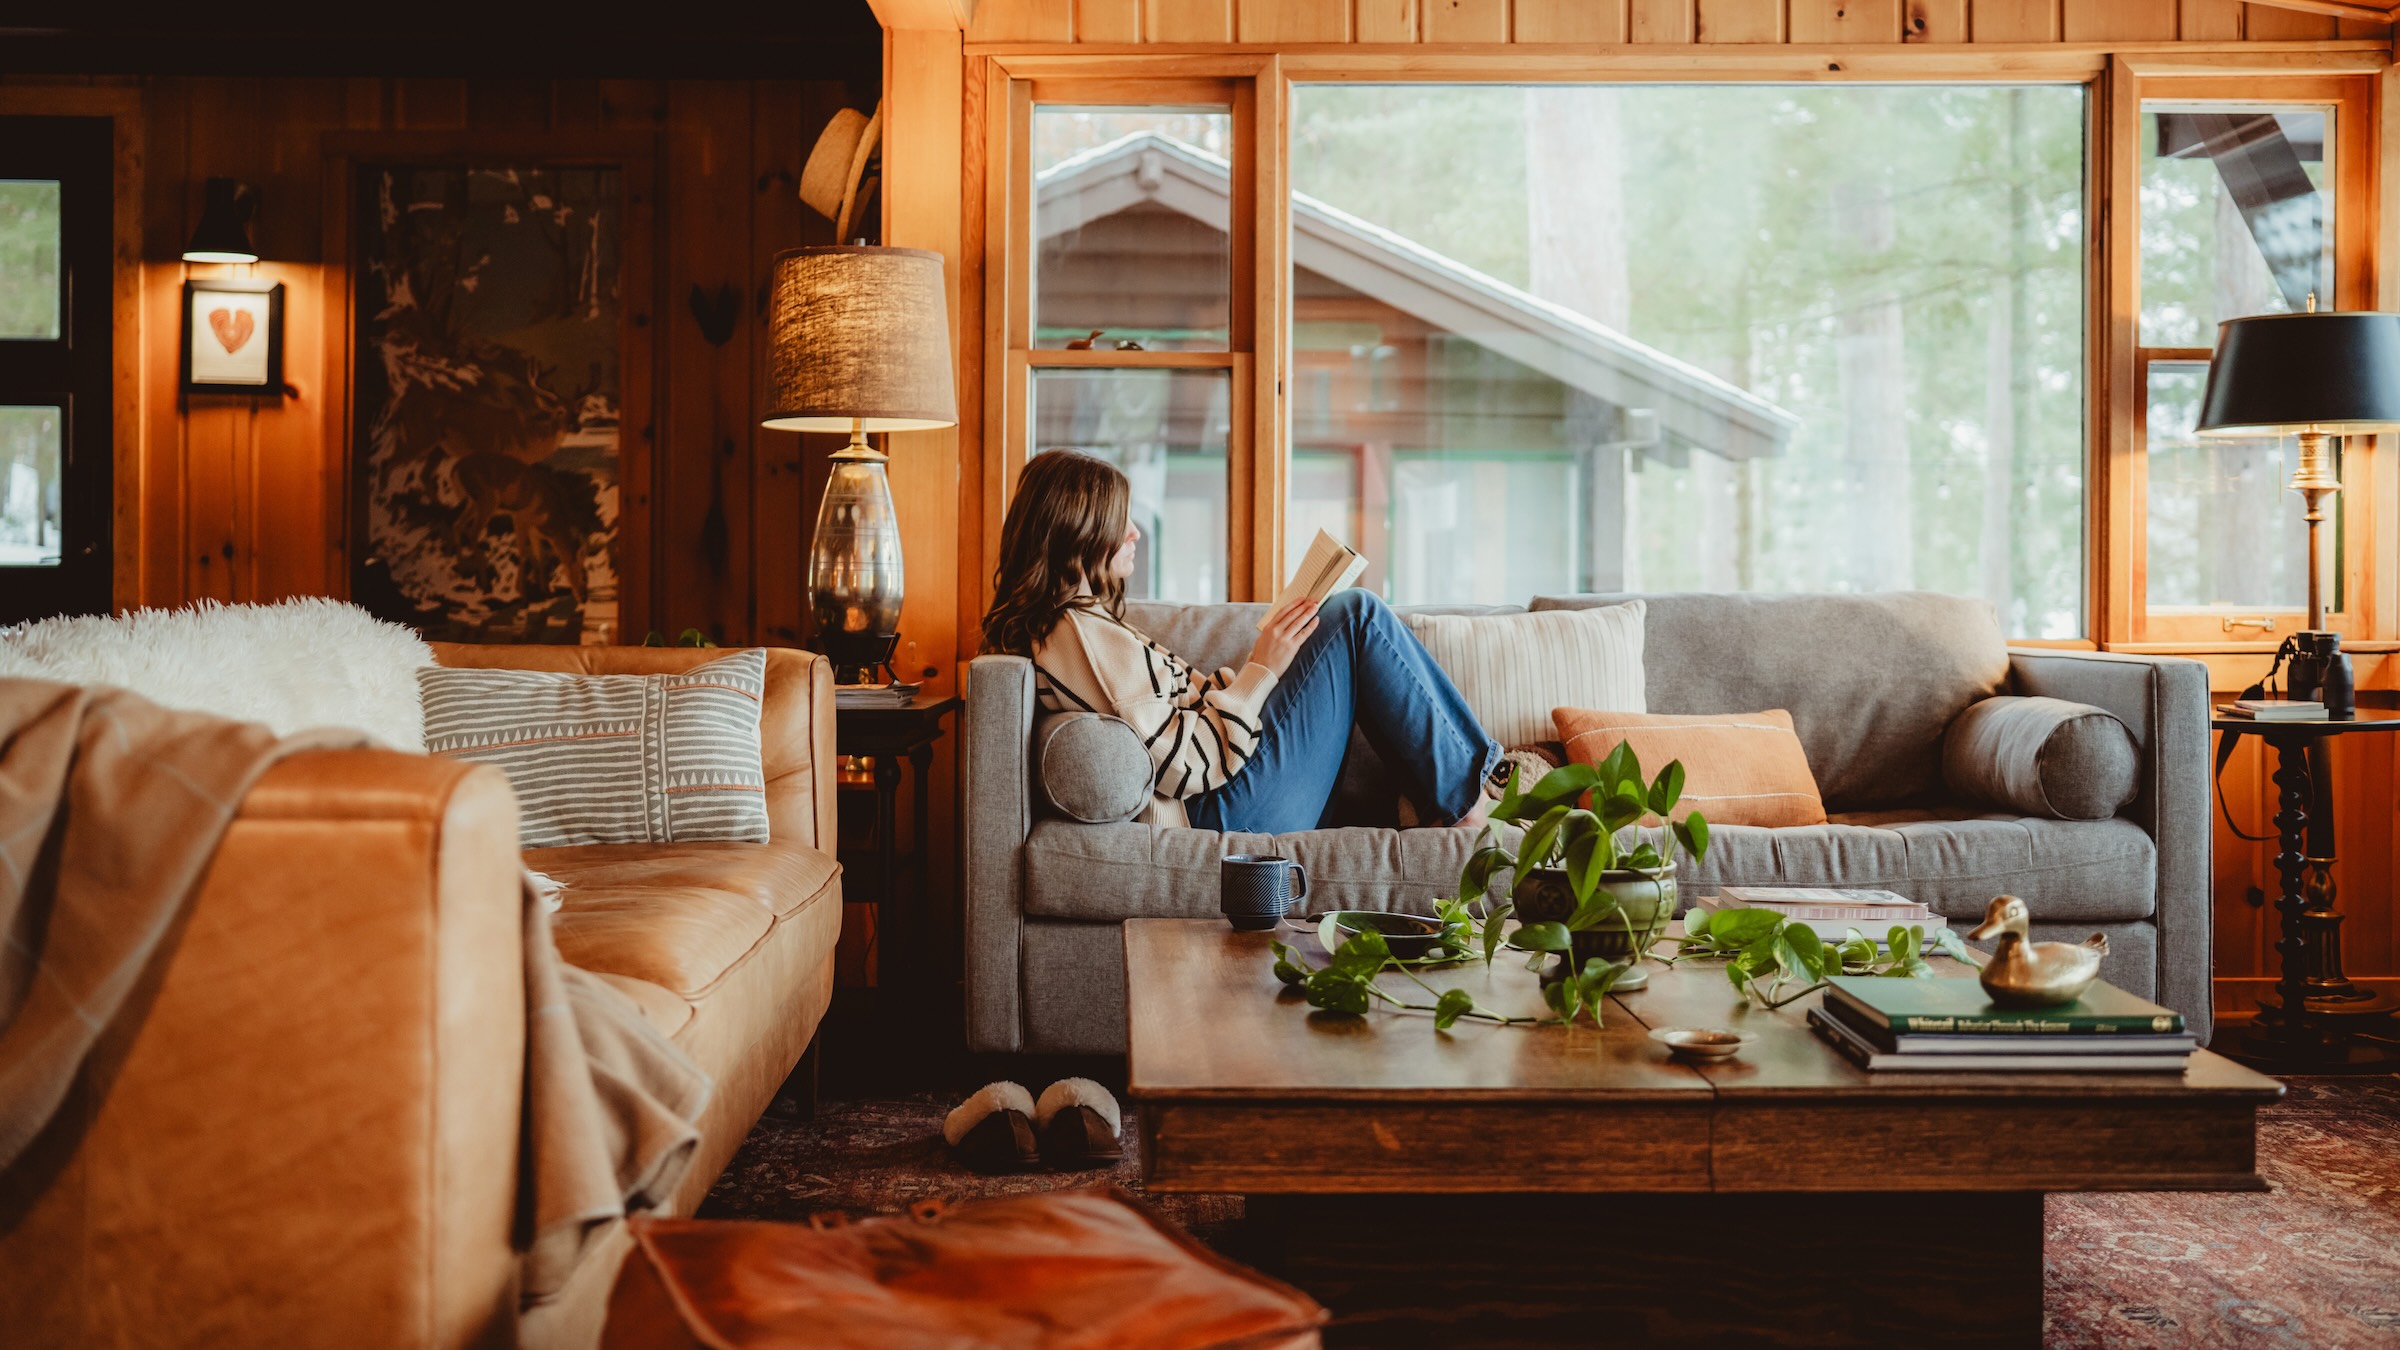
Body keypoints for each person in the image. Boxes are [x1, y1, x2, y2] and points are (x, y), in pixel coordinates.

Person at [979, 449, 1506, 835]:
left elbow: (1171, 728)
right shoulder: (1075, 634)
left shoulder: (1079, 626)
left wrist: (1254, 676)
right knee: (1355, 615)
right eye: (1122, 522)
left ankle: (1451, 796)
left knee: (1344, 617)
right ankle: (1471, 804)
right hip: (1218, 814)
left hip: (1230, 800)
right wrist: (1262, 670)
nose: (1136, 532)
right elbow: (1183, 765)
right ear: (1080, 529)